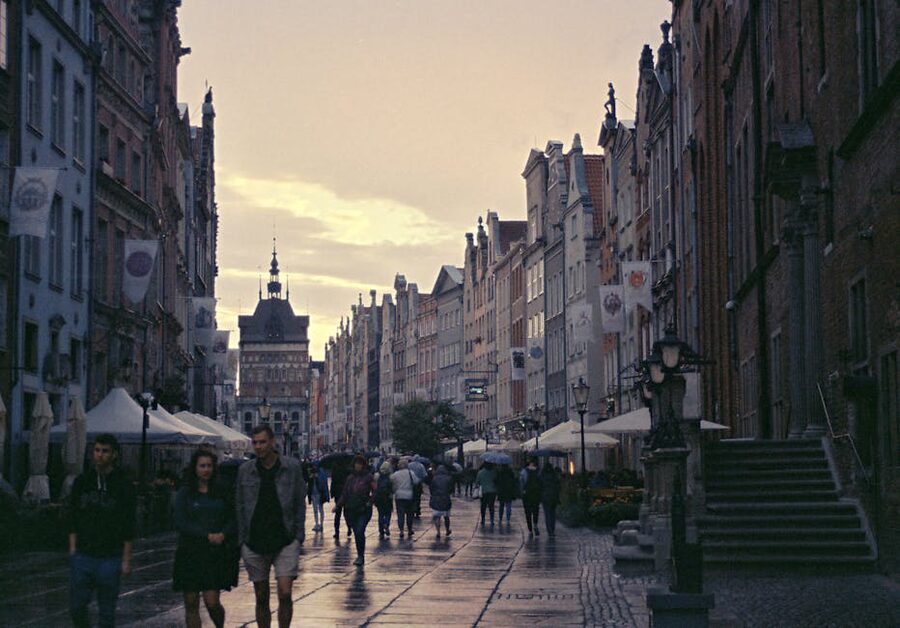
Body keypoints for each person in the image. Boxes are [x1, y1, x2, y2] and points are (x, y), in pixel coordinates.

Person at [236, 425, 306, 628]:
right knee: (261, 595)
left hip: (285, 538)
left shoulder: (291, 467)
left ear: (273, 441)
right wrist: (242, 540)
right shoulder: (245, 471)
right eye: (255, 442)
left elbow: (299, 501)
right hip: (254, 540)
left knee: (285, 592)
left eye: (262, 442)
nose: (258, 447)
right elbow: (239, 504)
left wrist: (298, 535)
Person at [67, 434, 136, 628]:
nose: (100, 455)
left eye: (105, 451)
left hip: (110, 555)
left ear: (114, 454)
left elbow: (129, 523)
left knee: (106, 611)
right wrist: (73, 550)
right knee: (77, 606)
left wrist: (126, 559)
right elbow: (73, 516)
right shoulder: (82, 481)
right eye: (97, 450)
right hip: (83, 554)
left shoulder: (123, 485)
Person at [173, 449, 237, 628]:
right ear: (195, 468)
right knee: (191, 602)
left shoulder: (222, 491)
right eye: (202, 466)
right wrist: (205, 535)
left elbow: (233, 517)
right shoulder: (186, 493)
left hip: (213, 554)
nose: (206, 470)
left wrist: (224, 533)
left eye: (209, 466)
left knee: (212, 602)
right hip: (190, 551)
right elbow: (180, 521)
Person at [334, 454, 376, 565]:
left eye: (360, 464)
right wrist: (338, 505)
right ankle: (359, 554)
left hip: (363, 509)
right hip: (351, 508)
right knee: (356, 531)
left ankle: (360, 556)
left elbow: (375, 491)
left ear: (363, 465)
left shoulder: (368, 477)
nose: (358, 466)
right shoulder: (350, 478)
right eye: (356, 464)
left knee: (359, 531)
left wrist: (370, 502)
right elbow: (345, 493)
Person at [390, 459, 420, 539]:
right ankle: (410, 529)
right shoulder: (411, 473)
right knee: (410, 514)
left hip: (399, 496)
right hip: (409, 495)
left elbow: (391, 482)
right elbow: (416, 481)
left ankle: (401, 531)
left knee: (400, 514)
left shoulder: (395, 474)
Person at [426, 464, 454, 538]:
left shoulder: (434, 479)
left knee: (437, 516)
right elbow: (451, 489)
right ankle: (447, 530)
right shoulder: (449, 478)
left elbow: (431, 488)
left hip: (436, 498)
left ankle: (438, 531)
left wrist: (433, 495)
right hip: (445, 498)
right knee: (446, 516)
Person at [330, 459, 353, 540]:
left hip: (337, 494)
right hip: (345, 493)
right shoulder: (347, 470)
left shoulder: (335, 471)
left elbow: (333, 483)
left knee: (338, 514)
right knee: (346, 513)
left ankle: (337, 532)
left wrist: (332, 493)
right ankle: (349, 527)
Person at [519, 458, 541, 536]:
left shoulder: (524, 471)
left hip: (527, 494)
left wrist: (522, 492)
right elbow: (540, 482)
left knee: (527, 512)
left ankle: (530, 529)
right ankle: (535, 524)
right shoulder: (538, 471)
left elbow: (521, 482)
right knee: (535, 510)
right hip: (536, 494)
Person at [307, 461, 330, 532]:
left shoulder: (321, 473)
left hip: (320, 493)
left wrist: (316, 478)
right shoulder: (310, 472)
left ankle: (321, 524)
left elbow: (323, 484)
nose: (314, 467)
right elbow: (309, 483)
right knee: (315, 510)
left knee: (320, 508)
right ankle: (317, 524)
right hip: (313, 493)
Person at [540, 463, 562, 536]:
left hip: (545, 497)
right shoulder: (554, 476)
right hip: (553, 497)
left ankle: (549, 530)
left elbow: (540, 486)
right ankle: (552, 529)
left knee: (547, 514)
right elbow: (558, 486)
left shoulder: (542, 476)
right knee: (553, 514)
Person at [374, 461, 394, 539]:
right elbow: (393, 487)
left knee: (380, 514)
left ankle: (381, 530)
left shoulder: (377, 475)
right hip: (388, 497)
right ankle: (386, 523)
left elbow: (374, 487)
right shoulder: (391, 476)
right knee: (388, 513)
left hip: (379, 497)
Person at [475, 462, 498, 526]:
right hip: (492, 491)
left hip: (483, 492)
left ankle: (483, 519)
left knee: (483, 506)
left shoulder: (480, 472)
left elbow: (477, 482)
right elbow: (496, 480)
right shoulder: (494, 472)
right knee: (491, 506)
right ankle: (492, 520)